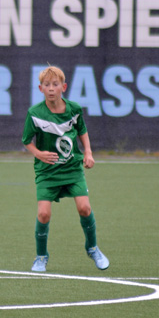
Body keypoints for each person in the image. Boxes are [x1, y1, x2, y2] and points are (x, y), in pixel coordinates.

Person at [22, 66, 109, 272]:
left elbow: (82, 130)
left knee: (84, 208)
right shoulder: (34, 113)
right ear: (40, 88)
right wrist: (39, 154)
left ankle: (92, 248)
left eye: (55, 84)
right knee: (43, 214)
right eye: (46, 85)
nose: (51, 89)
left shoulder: (74, 109)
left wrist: (88, 152)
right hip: (47, 171)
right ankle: (41, 257)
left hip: (72, 169)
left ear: (64, 86)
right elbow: (26, 140)